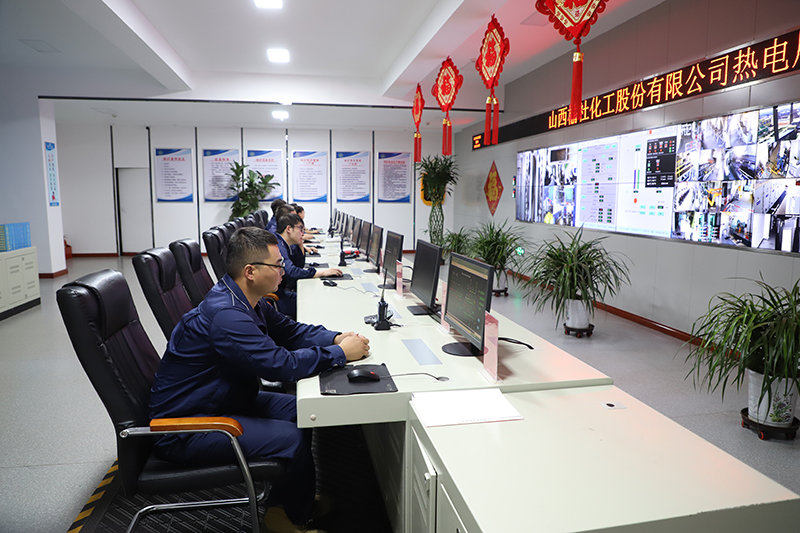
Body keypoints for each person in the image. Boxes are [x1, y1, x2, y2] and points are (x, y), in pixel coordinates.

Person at [149, 227, 369, 533]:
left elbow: (290, 332)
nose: (283, 271)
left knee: (303, 410)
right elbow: (280, 366)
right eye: (277, 265)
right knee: (290, 437)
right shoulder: (227, 315)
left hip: (222, 399)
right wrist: (340, 353)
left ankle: (291, 503)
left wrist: (335, 338)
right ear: (250, 271)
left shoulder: (246, 299)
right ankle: (287, 518)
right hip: (186, 427)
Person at [275, 213, 342, 318]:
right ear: (288, 229)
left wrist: (300, 243)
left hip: (282, 293)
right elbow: (291, 272)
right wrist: (321, 273)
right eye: (300, 229)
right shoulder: (279, 246)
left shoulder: (285, 244)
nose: (303, 233)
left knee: (313, 297)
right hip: (277, 298)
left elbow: (299, 265)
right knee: (313, 304)